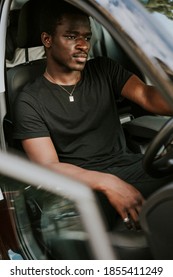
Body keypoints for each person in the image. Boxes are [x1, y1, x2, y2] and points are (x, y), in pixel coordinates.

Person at [13, 0, 173, 230]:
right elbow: (49, 166)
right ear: (47, 39)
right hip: (81, 188)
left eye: (87, 38)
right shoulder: (29, 100)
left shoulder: (104, 69)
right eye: (71, 36)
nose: (82, 45)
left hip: (131, 167)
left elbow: (147, 96)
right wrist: (108, 183)